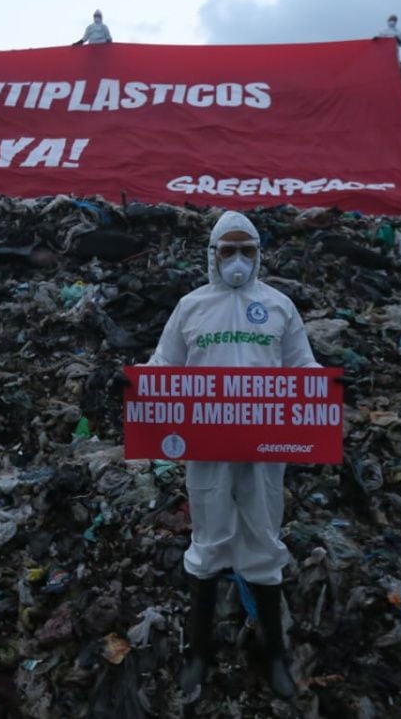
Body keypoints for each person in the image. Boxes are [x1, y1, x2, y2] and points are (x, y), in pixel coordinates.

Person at [147, 211, 319, 699]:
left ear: (259, 254)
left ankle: (275, 654)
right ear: (213, 254)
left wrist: (325, 383)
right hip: (207, 445)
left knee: (263, 537)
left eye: (247, 250)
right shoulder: (192, 307)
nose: (238, 260)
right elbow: (165, 363)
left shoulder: (279, 305)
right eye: (229, 250)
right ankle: (199, 652)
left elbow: (301, 364)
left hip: (265, 446)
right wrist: (136, 380)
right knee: (209, 539)